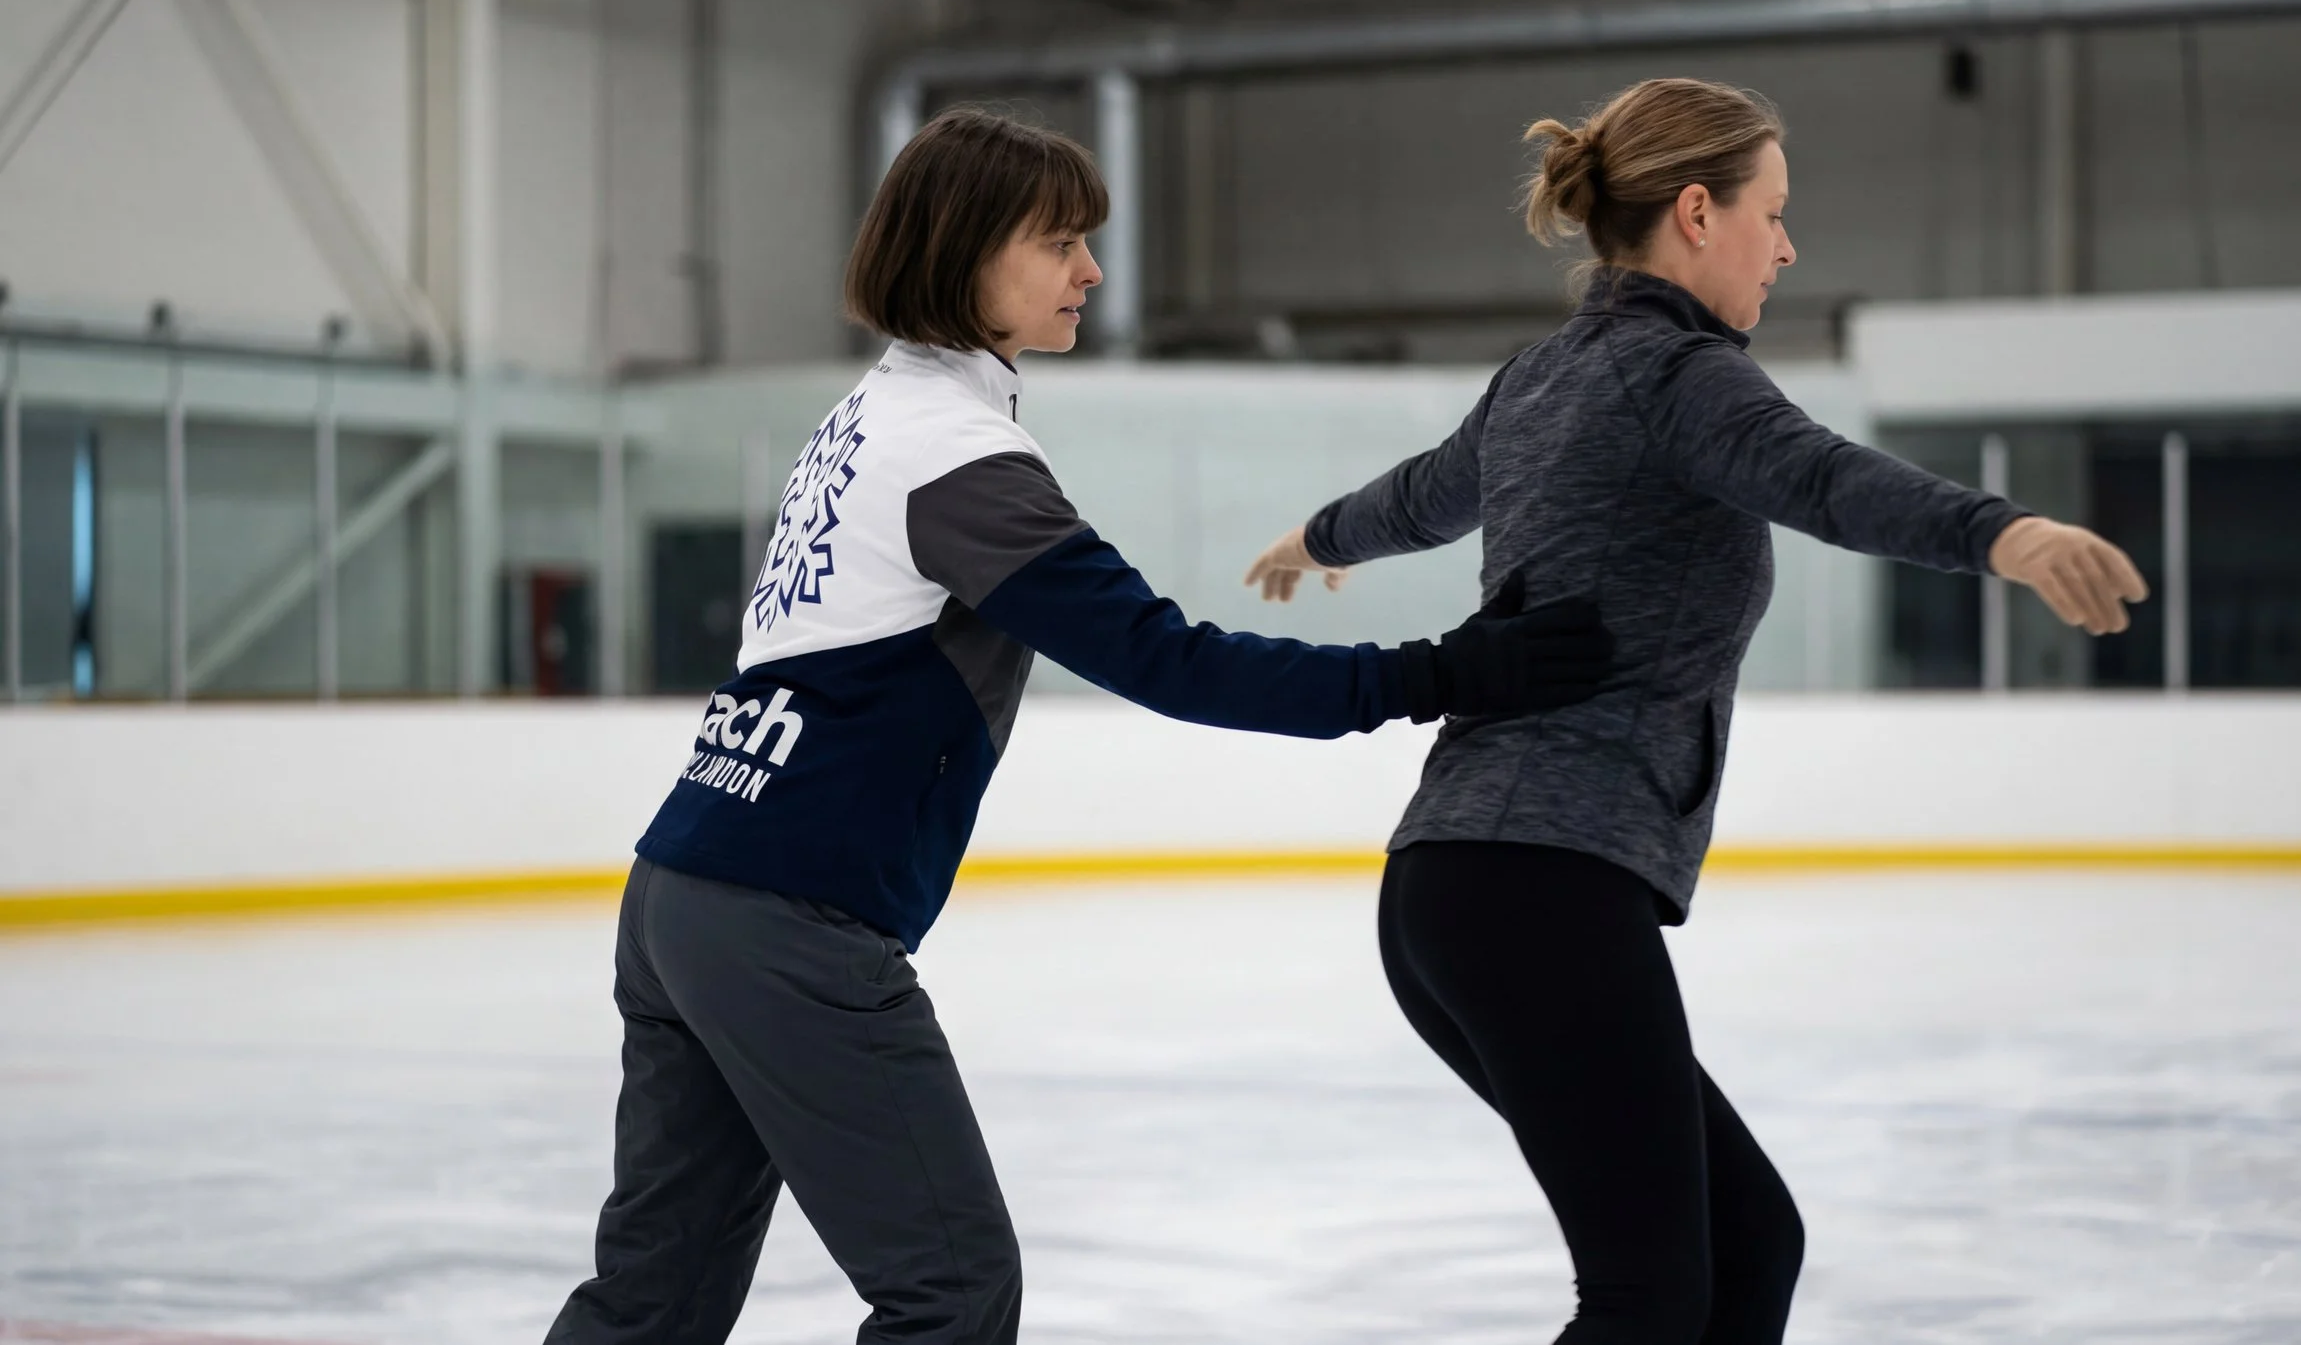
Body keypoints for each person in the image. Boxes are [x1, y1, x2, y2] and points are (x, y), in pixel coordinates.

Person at [542, 107, 1613, 1345]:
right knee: (949, 1290)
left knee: (652, 1304)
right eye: (1059, 244)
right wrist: (1445, 671)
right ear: (966, 251)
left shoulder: (868, 423)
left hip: (683, 888)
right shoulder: (955, 457)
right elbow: (1167, 662)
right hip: (789, 916)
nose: (1091, 274)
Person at [1242, 78, 2148, 1344]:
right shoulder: (1678, 379)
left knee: (1743, 1247)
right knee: (1649, 1295)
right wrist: (2005, 529)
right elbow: (1825, 480)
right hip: (1536, 887)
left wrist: (1316, 534)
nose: (1787, 247)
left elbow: (1422, 497)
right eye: (1772, 214)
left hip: (1457, 891)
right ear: (1695, 213)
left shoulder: (1544, 376)